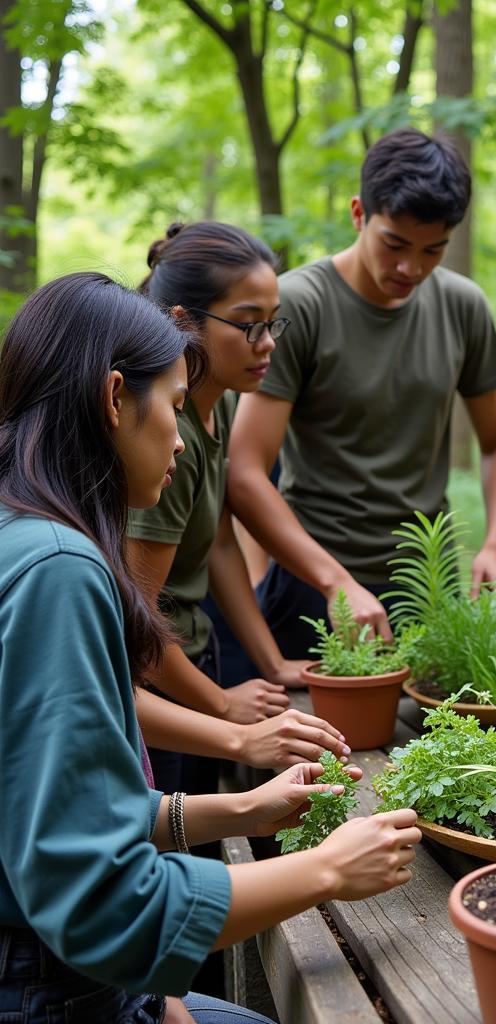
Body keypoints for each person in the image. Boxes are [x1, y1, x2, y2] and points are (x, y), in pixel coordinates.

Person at [0, 271, 420, 1024]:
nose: (180, 434)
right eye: (170, 404)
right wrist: (324, 869)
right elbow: (99, 904)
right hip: (45, 989)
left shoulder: (21, 533)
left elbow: (55, 814)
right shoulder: (59, 572)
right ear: (113, 399)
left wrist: (242, 809)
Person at [225, 128, 496, 674]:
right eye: (395, 244)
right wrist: (330, 580)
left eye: (433, 249)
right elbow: (245, 470)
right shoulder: (298, 303)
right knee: (316, 755)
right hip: (316, 582)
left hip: (428, 584)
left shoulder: (462, 306)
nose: (412, 268)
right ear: (360, 214)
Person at [128, 222, 337, 797]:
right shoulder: (171, 440)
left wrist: (270, 662)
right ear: (182, 322)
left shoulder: (213, 412)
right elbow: (135, 623)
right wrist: (221, 704)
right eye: (248, 325)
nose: (267, 342)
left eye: (273, 322)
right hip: (160, 690)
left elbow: (220, 542)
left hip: (193, 664)